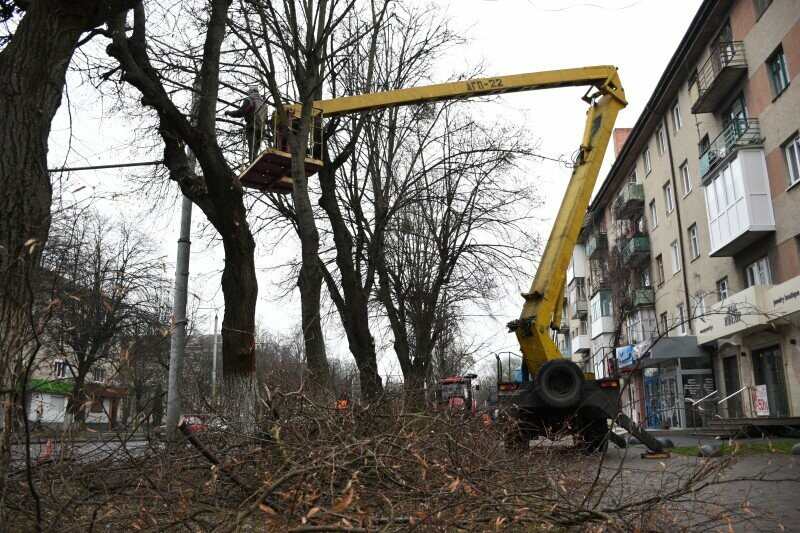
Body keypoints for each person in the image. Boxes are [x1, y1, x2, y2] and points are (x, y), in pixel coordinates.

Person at [225, 86, 269, 162]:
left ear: (250, 92)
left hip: (252, 127)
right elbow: (266, 119)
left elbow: (241, 112)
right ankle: (256, 165)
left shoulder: (249, 99)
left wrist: (229, 113)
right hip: (261, 130)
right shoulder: (264, 104)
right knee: (255, 151)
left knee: (252, 152)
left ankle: (254, 167)